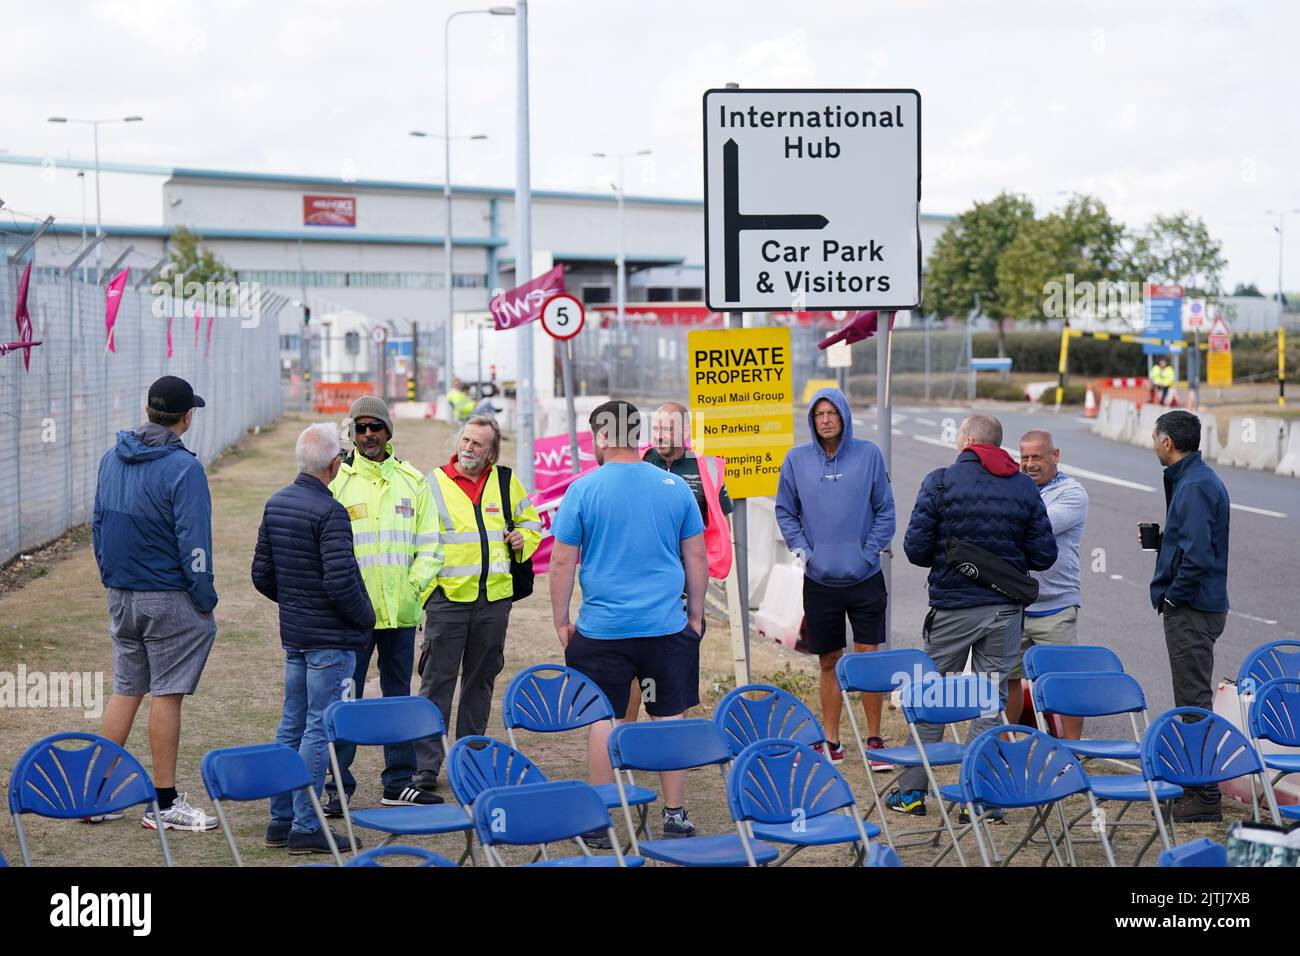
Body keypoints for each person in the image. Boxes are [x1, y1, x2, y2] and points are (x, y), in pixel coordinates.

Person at [549, 400, 708, 842]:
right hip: (664, 625)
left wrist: (562, 621)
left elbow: (562, 564)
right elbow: (696, 555)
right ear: (637, 435)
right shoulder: (673, 485)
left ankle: (600, 821)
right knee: (669, 717)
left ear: (601, 437)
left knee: (605, 718)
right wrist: (693, 615)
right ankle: (674, 814)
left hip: (603, 628)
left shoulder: (583, 488)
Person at [893, 414, 1056, 816]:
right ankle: (978, 797)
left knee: (932, 693)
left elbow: (914, 550)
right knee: (991, 698)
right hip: (1004, 611)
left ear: (966, 440)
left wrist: (953, 555)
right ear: (999, 446)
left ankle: (912, 793)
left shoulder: (941, 481)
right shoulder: (1024, 487)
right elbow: (1043, 555)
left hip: (951, 607)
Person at [91, 375, 219, 831]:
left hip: (122, 593)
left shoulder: (111, 458)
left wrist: (111, 577)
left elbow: (99, 524)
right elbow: (195, 546)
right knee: (167, 693)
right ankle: (164, 803)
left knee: (127, 688)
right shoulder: (184, 468)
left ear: (148, 410)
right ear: (187, 417)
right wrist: (204, 600)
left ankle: (95, 796)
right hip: (167, 596)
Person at [253, 424, 374, 854]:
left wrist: (296, 602)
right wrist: (366, 619)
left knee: (291, 725)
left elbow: (262, 575)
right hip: (328, 639)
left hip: (297, 635)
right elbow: (341, 581)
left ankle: (280, 818)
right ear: (334, 464)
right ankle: (306, 824)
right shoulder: (331, 511)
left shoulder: (276, 503)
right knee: (317, 730)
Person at [324, 396, 443, 813]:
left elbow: (432, 545)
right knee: (345, 698)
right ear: (351, 434)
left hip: (401, 614)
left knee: (399, 697)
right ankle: (337, 784)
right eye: (360, 428)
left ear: (389, 431)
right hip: (352, 615)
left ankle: (398, 782)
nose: (369, 435)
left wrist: (413, 589)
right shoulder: (336, 482)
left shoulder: (413, 480)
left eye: (376, 427)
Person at [411, 415, 541, 790]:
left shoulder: (504, 481)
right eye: (465, 440)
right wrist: (428, 593)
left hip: (494, 602)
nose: (468, 448)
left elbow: (532, 524)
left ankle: (470, 761)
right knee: (436, 683)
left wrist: (521, 540)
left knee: (480, 683)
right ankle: (426, 767)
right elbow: (418, 542)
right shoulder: (432, 484)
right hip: (447, 602)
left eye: (477, 444)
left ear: (491, 452)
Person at [774, 387, 895, 767]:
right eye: (818, 414)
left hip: (865, 577)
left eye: (832, 413)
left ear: (844, 416)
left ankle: (875, 740)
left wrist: (867, 551)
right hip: (820, 580)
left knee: (868, 660)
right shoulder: (796, 460)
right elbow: (785, 511)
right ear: (812, 420)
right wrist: (803, 549)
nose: (825, 420)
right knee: (829, 659)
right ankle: (832, 740)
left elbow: (886, 511)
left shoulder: (869, 455)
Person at [623, 401, 733, 721]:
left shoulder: (705, 469)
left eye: (668, 427)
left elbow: (718, 523)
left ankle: (672, 741)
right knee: (632, 668)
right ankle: (624, 742)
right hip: (640, 583)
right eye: (656, 427)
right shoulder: (638, 461)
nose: (660, 434)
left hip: (683, 589)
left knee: (673, 671)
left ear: (686, 431)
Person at [1147, 409, 1230, 823]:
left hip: (1193, 608)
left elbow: (1197, 557)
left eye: (1154, 438)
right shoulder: (1192, 479)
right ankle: (1192, 786)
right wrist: (1164, 543)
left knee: (1194, 702)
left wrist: (1174, 598)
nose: (1153, 444)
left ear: (1167, 442)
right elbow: (1191, 541)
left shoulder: (1194, 485)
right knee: (1189, 699)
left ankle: (1204, 795)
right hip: (1196, 604)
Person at [1006, 430, 1088, 738]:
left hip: (1056, 605)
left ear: (1055, 455)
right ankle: (1006, 746)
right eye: (1024, 457)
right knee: (1009, 679)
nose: (1029, 464)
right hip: (1014, 605)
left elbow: (1039, 529)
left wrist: (1004, 517)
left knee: (1064, 683)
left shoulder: (1072, 493)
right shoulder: (1013, 487)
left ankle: (1073, 751)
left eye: (1037, 456)